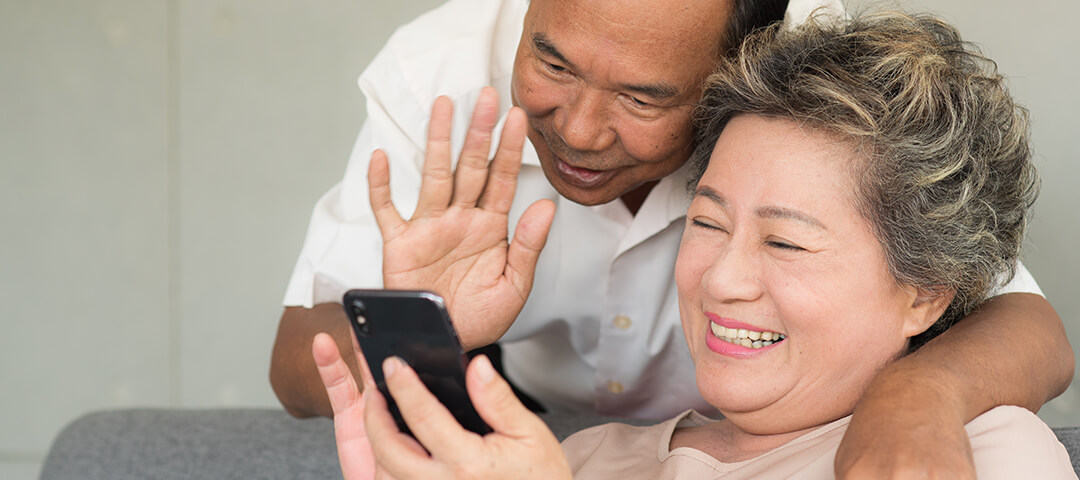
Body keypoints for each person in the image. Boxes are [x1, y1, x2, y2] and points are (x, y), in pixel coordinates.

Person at [271, 0, 1074, 475]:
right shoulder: (441, 73)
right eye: (707, 220)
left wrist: (920, 392)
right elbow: (297, 356)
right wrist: (426, 338)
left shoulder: (819, 101)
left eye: (644, 98)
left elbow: (1011, 314)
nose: (580, 130)